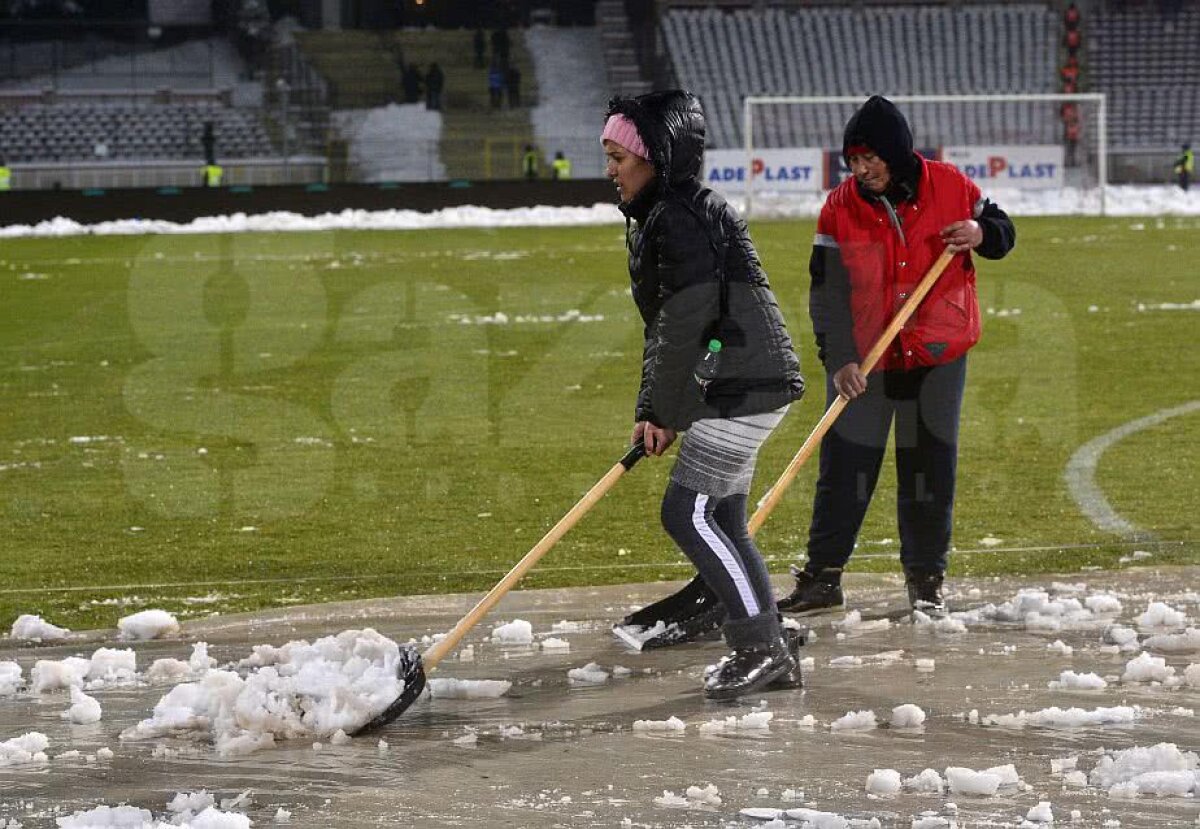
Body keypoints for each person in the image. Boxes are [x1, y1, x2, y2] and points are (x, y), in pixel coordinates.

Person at [776, 95, 1015, 618]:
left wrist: (980, 233)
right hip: (866, 360)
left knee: (928, 468)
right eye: (854, 163)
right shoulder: (839, 208)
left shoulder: (952, 186)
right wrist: (840, 359)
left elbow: (1002, 233)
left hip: (937, 354)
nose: (862, 171)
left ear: (896, 152)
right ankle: (823, 578)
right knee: (844, 467)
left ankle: (926, 581)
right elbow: (826, 291)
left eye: (870, 160)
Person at [602, 90, 806, 699]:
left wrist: (661, 411)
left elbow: (683, 322)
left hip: (747, 383)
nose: (611, 170)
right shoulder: (673, 211)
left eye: (619, 157)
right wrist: (656, 408)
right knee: (722, 516)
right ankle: (768, 635)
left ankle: (761, 646)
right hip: (741, 380)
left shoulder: (679, 218)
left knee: (686, 512)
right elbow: (675, 329)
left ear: (656, 158)